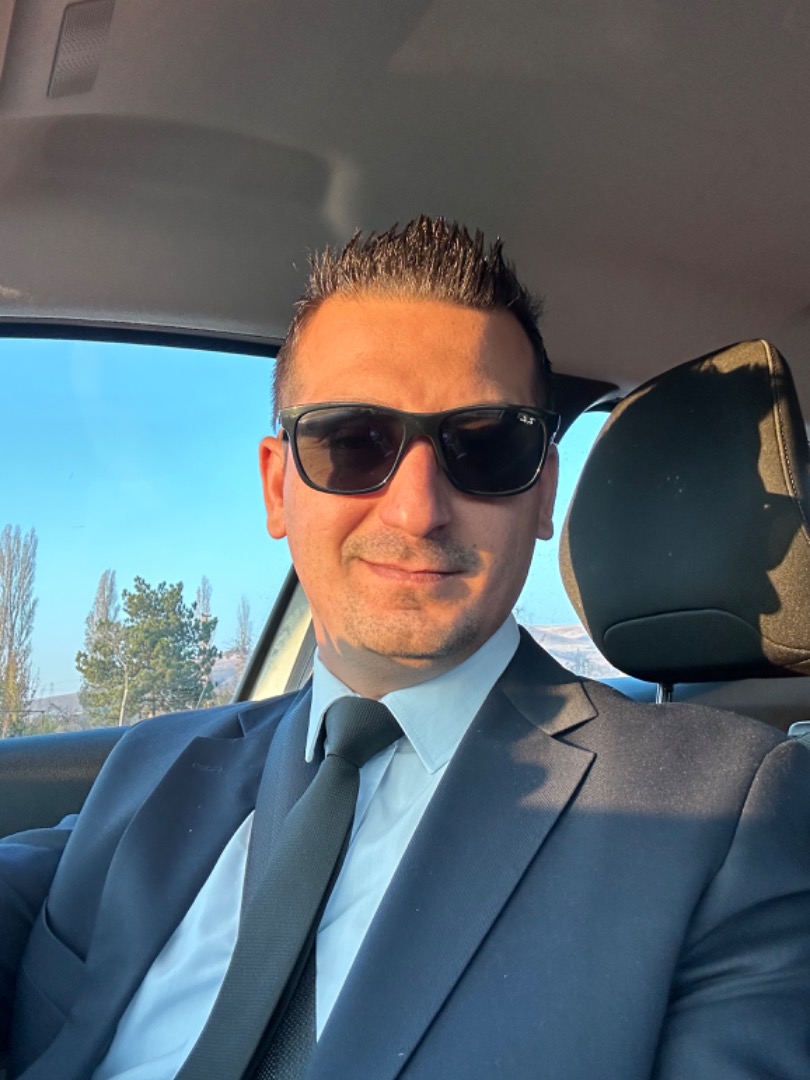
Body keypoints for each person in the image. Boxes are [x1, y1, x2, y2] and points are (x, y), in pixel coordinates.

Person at [2, 217, 810, 1080]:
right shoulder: (153, 765)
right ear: (278, 486)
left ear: (543, 495)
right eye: (353, 442)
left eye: (487, 447)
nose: (418, 510)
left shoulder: (723, 814)